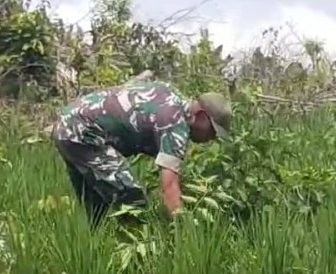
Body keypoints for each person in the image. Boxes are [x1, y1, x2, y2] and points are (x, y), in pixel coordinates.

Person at [51, 80, 232, 226]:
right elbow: (169, 188)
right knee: (132, 199)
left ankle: (94, 247)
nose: (212, 137)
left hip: (68, 125)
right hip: (84, 133)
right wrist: (186, 232)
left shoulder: (170, 95)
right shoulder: (175, 124)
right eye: (213, 130)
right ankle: (139, 252)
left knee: (97, 207)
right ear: (201, 116)